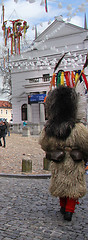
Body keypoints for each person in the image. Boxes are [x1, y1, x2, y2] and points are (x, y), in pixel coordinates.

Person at [39, 86, 88, 221]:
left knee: (60, 183)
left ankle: (62, 206)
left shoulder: (50, 128)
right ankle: (69, 211)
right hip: (73, 161)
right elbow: (86, 144)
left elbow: (44, 144)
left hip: (59, 159)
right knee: (73, 185)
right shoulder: (78, 128)